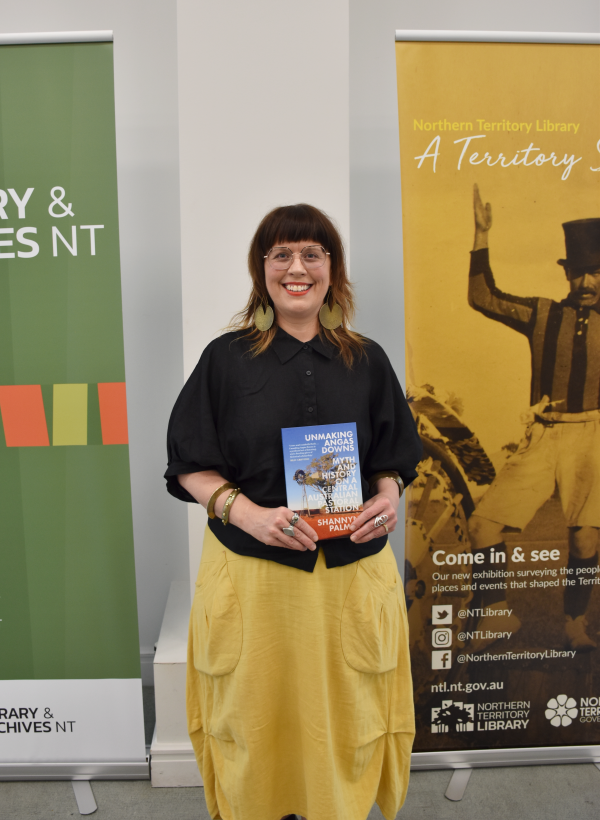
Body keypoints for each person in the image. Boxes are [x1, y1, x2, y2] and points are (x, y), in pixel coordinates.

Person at [164, 203, 422, 820]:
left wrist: (386, 499)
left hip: (350, 579)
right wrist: (247, 513)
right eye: (281, 254)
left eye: (312, 252)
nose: (297, 267)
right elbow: (189, 465)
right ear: (262, 270)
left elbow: (393, 459)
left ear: (332, 269)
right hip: (255, 582)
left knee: (350, 726)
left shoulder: (367, 359)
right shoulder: (224, 361)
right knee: (253, 729)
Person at [467, 183, 600, 653]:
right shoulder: (542, 314)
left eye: (596, 274)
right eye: (580, 274)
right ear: (567, 274)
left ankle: (573, 624)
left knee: (585, 541)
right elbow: (483, 296)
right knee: (484, 524)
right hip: (544, 437)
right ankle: (499, 615)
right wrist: (481, 235)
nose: (587, 283)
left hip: (593, 437)